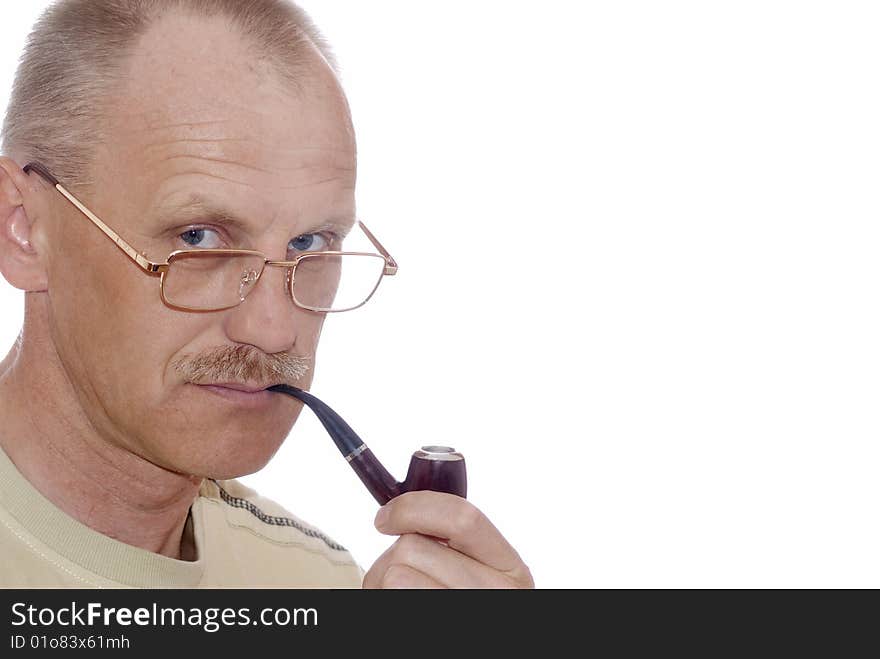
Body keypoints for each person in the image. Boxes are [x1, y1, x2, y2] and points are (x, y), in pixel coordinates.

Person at [0, 0, 533, 589]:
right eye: (199, 238)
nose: (275, 329)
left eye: (309, 243)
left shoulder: (319, 584)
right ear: (23, 229)